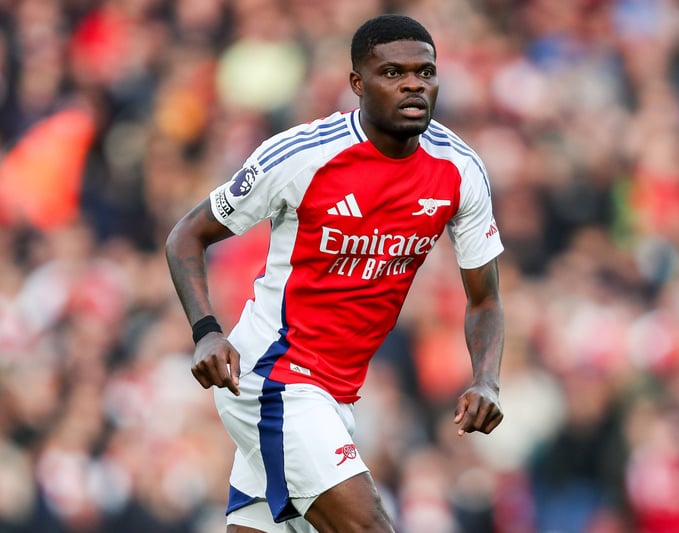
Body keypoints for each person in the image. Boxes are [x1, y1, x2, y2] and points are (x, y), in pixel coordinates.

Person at [165, 13, 505, 533]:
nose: (413, 84)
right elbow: (186, 235)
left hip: (337, 394)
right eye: (392, 73)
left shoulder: (460, 170)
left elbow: (485, 299)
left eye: (425, 72)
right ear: (357, 84)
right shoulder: (303, 156)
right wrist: (207, 332)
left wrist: (487, 380)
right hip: (272, 377)